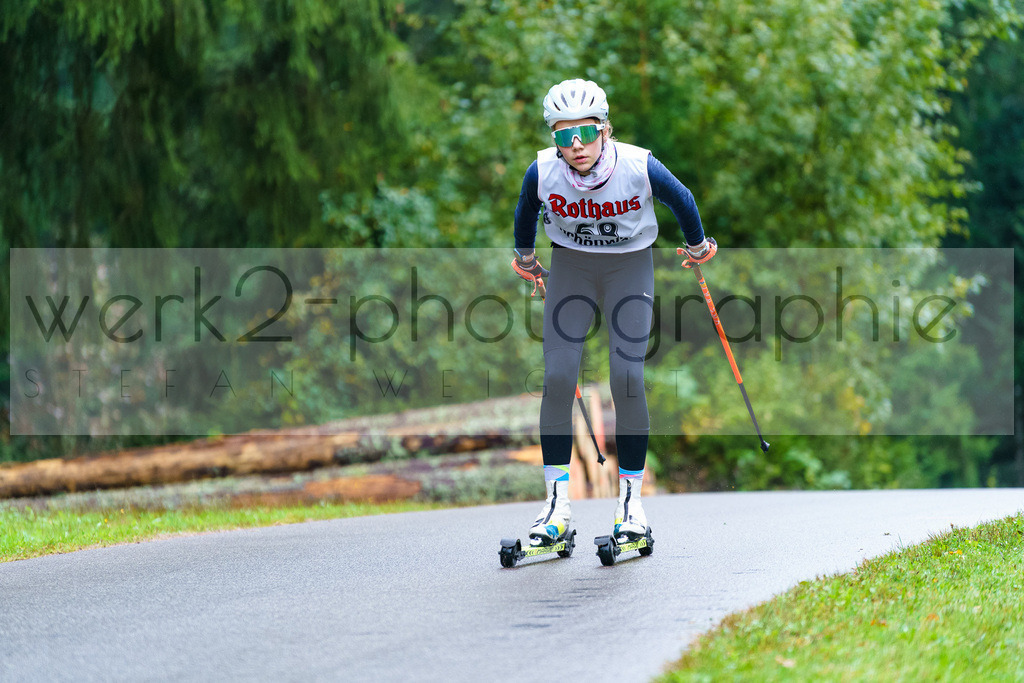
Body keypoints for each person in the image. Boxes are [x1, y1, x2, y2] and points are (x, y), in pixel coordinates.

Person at [511, 78, 716, 545]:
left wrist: (698, 245)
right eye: (564, 135)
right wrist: (525, 258)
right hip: (571, 269)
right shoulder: (543, 171)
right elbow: (525, 210)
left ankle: (631, 503)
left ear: (605, 129)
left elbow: (682, 199)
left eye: (585, 131)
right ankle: (557, 505)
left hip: (629, 269)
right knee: (560, 378)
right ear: (554, 139)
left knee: (627, 375)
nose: (576, 144)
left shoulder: (638, 164)